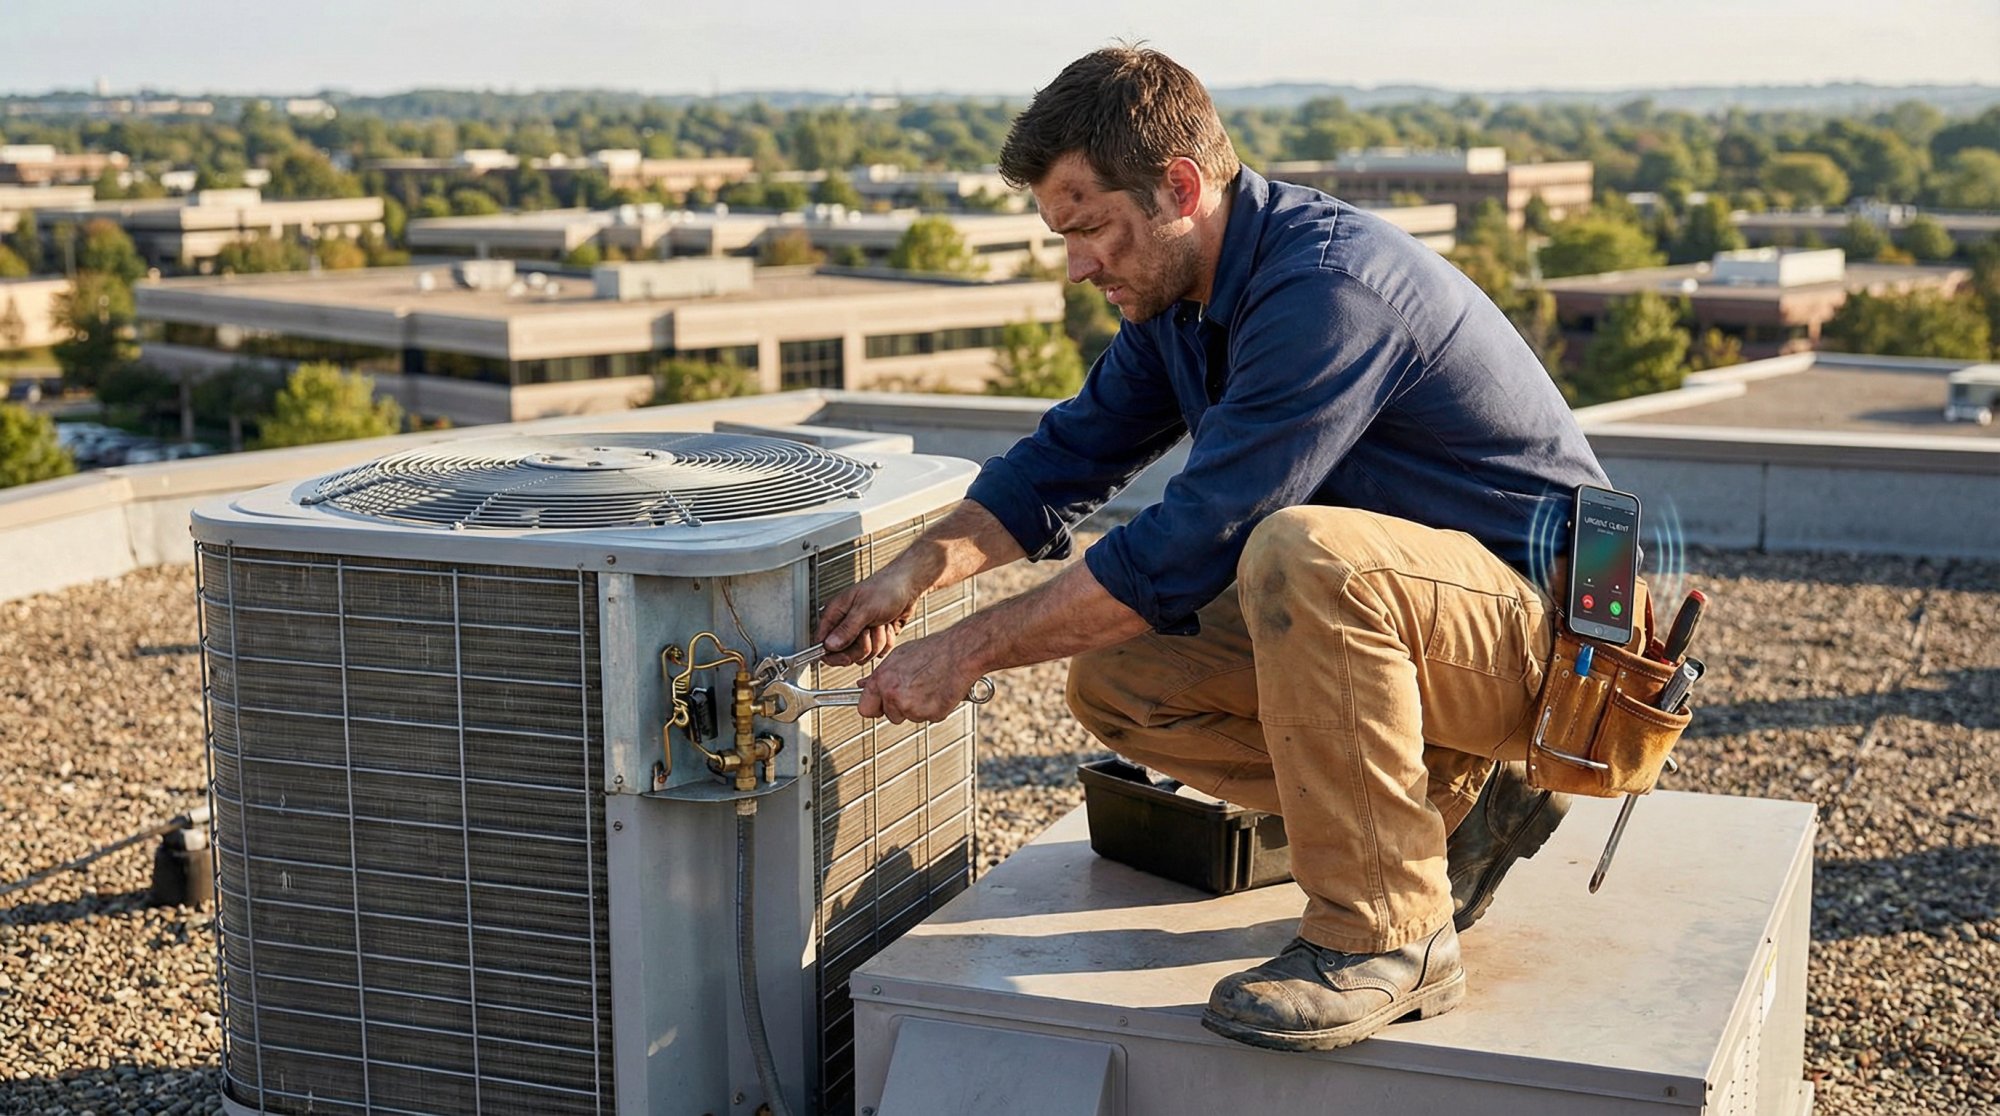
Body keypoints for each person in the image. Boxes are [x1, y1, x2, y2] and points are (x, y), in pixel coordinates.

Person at [815, 46, 1609, 1052]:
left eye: (1089, 228)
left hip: (1569, 655)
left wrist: (966, 649)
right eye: (1063, 236)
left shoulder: (1326, 291)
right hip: (1446, 632)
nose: (1078, 265)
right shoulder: (1180, 303)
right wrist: (910, 576)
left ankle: (1388, 937)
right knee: (1120, 681)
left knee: (1300, 556)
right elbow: (1060, 462)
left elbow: (1192, 543)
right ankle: (1448, 810)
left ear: (1180, 189)